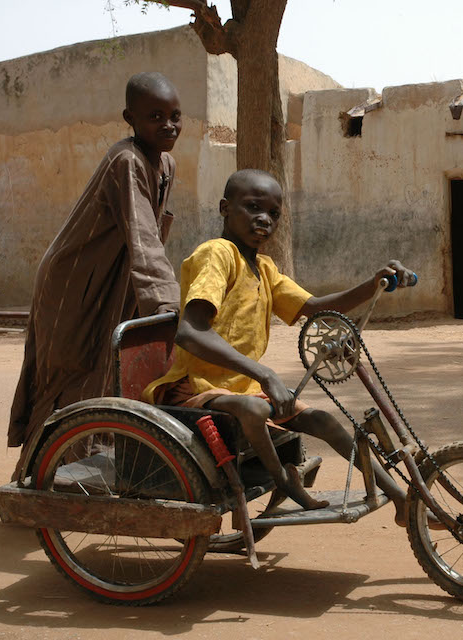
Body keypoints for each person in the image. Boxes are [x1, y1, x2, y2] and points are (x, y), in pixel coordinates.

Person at [144, 169, 434, 526]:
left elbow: (314, 307)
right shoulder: (216, 254)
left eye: (274, 213)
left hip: (242, 388)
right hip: (195, 388)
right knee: (254, 410)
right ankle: (285, 482)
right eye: (252, 207)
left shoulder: (263, 267)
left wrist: (373, 283)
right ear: (225, 208)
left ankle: (400, 498)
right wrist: (265, 373)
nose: (264, 219)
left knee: (323, 421)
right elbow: (190, 332)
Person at [8, 72, 184, 476]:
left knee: (105, 372)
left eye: (175, 115)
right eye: (155, 116)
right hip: (73, 285)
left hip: (112, 282)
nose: (169, 125)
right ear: (130, 118)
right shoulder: (127, 161)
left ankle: (70, 476)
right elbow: (144, 238)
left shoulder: (166, 164)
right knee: (67, 377)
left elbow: (147, 238)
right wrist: (173, 309)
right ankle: (33, 480)